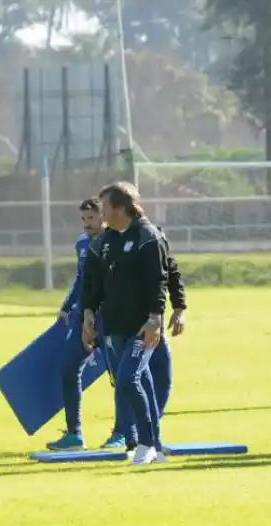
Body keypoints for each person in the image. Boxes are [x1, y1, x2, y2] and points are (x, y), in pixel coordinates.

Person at [81, 181, 169, 466]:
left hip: (142, 327)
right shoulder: (103, 242)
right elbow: (91, 282)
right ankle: (156, 446)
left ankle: (144, 445)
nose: (101, 211)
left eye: (104, 206)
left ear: (120, 207)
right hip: (114, 328)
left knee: (128, 379)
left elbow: (159, 281)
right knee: (138, 381)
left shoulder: (147, 237)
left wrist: (156, 318)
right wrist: (88, 314)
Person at [46, 197, 113, 451]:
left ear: (103, 216)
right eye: (83, 219)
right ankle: (75, 433)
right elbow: (81, 279)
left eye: (91, 218)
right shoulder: (82, 243)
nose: (87, 224)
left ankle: (123, 432)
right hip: (85, 316)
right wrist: (67, 306)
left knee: (119, 375)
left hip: (110, 317)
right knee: (69, 368)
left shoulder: (112, 241)